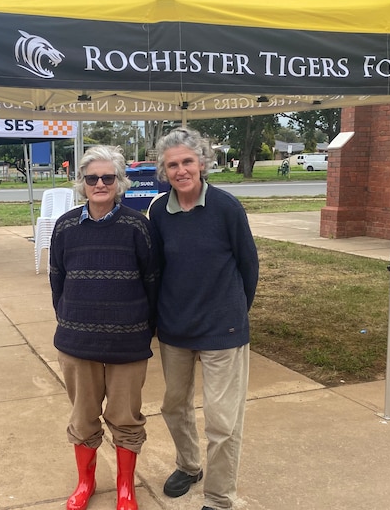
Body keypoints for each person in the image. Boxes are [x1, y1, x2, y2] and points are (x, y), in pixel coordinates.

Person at [148, 127, 259, 510]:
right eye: (172, 164)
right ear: (164, 170)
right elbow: (157, 269)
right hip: (175, 329)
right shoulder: (159, 211)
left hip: (223, 330)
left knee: (222, 422)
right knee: (174, 406)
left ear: (202, 163)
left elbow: (249, 266)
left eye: (187, 162)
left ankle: (218, 497)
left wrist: (233, 313)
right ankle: (189, 465)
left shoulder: (227, 207)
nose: (181, 170)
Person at [49, 145, 159, 510]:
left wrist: (144, 327)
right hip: (77, 342)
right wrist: (69, 318)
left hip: (128, 343)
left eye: (107, 178)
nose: (99, 184)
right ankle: (86, 483)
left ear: (119, 182)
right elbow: (57, 281)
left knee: (126, 418)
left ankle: (125, 489)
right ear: (81, 183)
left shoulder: (137, 226)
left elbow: (152, 280)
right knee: (83, 418)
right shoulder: (64, 227)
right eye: (91, 178)